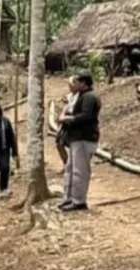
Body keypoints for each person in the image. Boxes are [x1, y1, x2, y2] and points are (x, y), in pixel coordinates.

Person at [58, 70, 101, 212]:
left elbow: (86, 116)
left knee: (79, 171)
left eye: (76, 82)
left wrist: (68, 119)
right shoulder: (80, 96)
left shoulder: (89, 97)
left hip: (84, 137)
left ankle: (79, 201)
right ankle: (69, 197)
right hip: (76, 138)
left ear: (83, 83)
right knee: (70, 169)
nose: (73, 84)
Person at [55, 76, 80, 167]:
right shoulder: (71, 96)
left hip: (75, 123)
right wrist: (62, 115)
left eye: (71, 85)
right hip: (66, 122)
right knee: (59, 144)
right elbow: (66, 105)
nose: (69, 87)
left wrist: (65, 117)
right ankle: (67, 164)